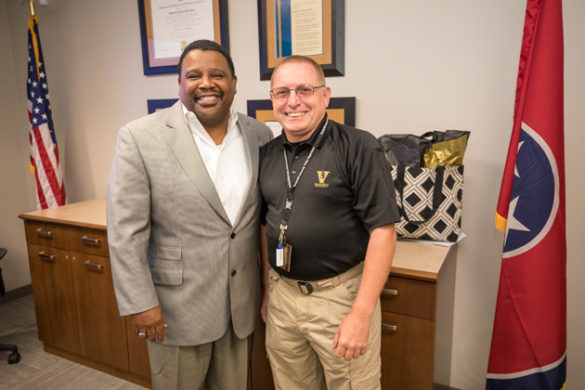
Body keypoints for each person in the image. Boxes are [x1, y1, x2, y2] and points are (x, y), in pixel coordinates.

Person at [107, 39, 272, 390]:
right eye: (194, 75)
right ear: (180, 84)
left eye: (218, 74)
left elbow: (257, 220)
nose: (207, 83)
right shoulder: (140, 136)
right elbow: (126, 232)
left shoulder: (259, 134)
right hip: (175, 308)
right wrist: (141, 302)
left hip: (239, 304)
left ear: (235, 82)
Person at [258, 55, 401, 390]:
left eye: (304, 90)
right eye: (282, 93)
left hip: (339, 298)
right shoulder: (267, 153)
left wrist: (361, 314)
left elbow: (383, 232)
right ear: (272, 100)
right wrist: (267, 291)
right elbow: (265, 226)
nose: (293, 102)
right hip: (283, 295)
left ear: (325, 95)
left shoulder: (358, 146)